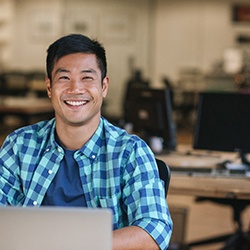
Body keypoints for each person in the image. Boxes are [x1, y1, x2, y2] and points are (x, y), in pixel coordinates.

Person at [0, 34, 172, 249]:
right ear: (49, 87)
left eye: (87, 77)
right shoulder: (19, 145)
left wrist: (78, 244)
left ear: (104, 86)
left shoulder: (131, 151)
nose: (75, 89)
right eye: (64, 78)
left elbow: (155, 231)